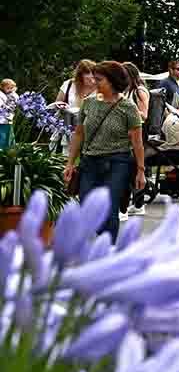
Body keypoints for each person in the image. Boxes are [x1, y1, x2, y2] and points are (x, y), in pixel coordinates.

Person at [63, 61, 145, 242]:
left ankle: (107, 250)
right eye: (94, 78)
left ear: (113, 81)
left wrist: (140, 170)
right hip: (89, 162)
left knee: (109, 207)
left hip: (117, 163)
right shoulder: (89, 103)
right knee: (86, 205)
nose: (94, 82)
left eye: (99, 79)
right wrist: (70, 163)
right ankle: (103, 239)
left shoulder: (128, 108)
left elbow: (137, 142)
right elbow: (79, 134)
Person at [121, 62, 151, 219]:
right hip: (127, 135)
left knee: (131, 171)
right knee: (132, 172)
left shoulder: (139, 91)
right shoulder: (128, 91)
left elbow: (144, 115)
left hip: (137, 135)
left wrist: (125, 111)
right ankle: (138, 205)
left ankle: (126, 208)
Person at [52, 60, 98, 155]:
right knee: (66, 157)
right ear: (80, 75)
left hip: (92, 131)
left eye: (93, 73)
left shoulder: (100, 87)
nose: (91, 76)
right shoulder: (68, 84)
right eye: (87, 73)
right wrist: (62, 107)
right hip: (69, 127)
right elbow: (58, 103)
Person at [0, 79, 17, 149]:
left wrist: (13, 93)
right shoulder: (1, 95)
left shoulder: (12, 94)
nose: (10, 90)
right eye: (8, 88)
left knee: (9, 136)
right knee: (2, 136)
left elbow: (16, 101)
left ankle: (10, 151)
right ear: (2, 87)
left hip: (8, 119)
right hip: (2, 120)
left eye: (11, 88)